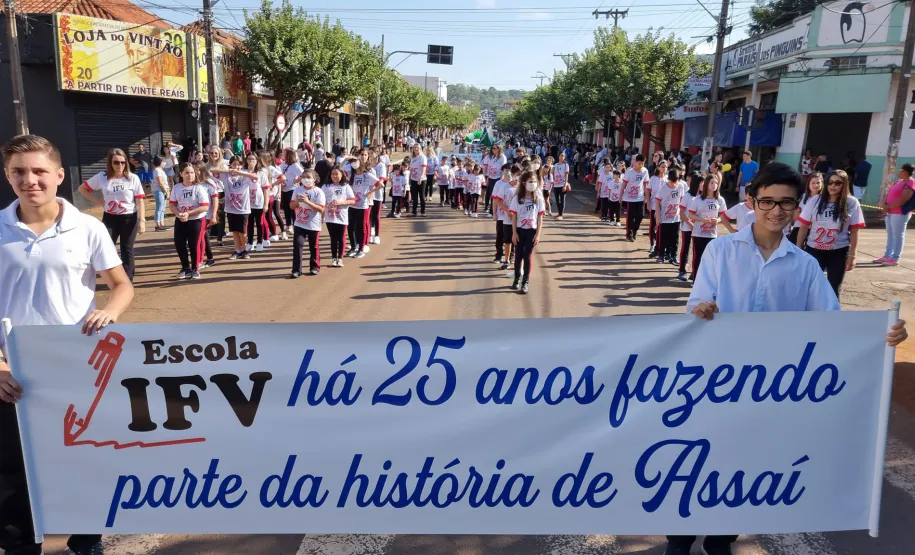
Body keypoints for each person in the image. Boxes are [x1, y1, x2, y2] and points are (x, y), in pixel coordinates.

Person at [678, 161, 908, 555]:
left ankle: (721, 537)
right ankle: (679, 538)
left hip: (771, 389)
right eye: (767, 201)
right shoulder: (720, 250)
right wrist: (702, 310)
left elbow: (832, 326)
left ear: (797, 205)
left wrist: (882, 335)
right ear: (751, 201)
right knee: (699, 459)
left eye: (786, 203)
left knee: (744, 464)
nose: (776, 211)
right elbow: (696, 303)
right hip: (715, 381)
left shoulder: (805, 267)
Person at [0, 134, 134, 555]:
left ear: (59, 175)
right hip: (12, 373)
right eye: (19, 171)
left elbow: (121, 286)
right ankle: (20, 543)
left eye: (39, 171)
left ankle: (86, 540)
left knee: (82, 458)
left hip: (78, 368)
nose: (30, 180)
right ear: (8, 176)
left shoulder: (88, 228)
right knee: (14, 469)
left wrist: (110, 311)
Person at [78, 148, 146, 281]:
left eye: (123, 162)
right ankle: (113, 278)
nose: (120, 165)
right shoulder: (102, 177)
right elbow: (82, 189)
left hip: (129, 217)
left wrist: (142, 220)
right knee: (107, 249)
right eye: (116, 162)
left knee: (127, 249)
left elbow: (140, 200)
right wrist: (98, 201)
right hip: (110, 218)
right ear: (110, 163)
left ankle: (127, 280)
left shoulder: (132, 178)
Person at [795, 169, 864, 297]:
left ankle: (831, 315)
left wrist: (852, 256)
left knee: (833, 288)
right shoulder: (815, 200)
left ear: (844, 184)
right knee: (810, 287)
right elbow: (804, 226)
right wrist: (799, 249)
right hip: (814, 250)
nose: (833, 186)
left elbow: (854, 231)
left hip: (838, 251)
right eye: (830, 182)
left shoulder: (851, 202)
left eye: (838, 183)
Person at [169, 162, 210, 279]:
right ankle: (185, 268)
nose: (190, 175)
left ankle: (195, 268)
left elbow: (205, 206)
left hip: (196, 219)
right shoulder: (177, 188)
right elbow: (172, 204)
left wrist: (189, 213)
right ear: (181, 174)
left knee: (194, 244)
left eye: (192, 172)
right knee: (179, 243)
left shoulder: (199, 188)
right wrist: (179, 214)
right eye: (187, 173)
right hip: (181, 220)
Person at [509, 170, 545, 294]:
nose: (533, 184)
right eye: (530, 182)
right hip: (519, 230)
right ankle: (517, 278)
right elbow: (513, 216)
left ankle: (525, 282)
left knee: (527, 255)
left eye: (535, 182)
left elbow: (540, 217)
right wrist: (514, 232)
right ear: (524, 183)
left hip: (531, 231)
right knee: (518, 255)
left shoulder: (538, 199)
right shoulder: (518, 198)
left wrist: (538, 234)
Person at [687, 175, 727, 281]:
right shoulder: (698, 199)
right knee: (698, 258)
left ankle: (707, 282)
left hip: (712, 234)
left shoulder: (720, 200)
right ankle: (695, 280)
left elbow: (723, 216)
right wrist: (702, 220)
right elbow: (690, 215)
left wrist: (717, 220)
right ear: (706, 184)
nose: (714, 185)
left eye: (716, 183)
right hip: (698, 233)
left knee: (711, 259)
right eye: (712, 183)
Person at [875, 162, 915, 266]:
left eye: (900, 170)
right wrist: (885, 205)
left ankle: (895, 258)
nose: (899, 171)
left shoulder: (910, 183)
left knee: (898, 235)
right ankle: (888, 255)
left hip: (900, 213)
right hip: (891, 212)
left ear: (905, 172)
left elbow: (904, 199)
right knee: (891, 235)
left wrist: (888, 207)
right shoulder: (899, 181)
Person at [289, 169, 326, 277]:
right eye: (304, 177)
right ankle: (296, 270)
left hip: (313, 224)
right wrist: (297, 201)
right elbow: (291, 206)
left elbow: (321, 209)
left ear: (314, 179)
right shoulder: (297, 190)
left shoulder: (319, 192)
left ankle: (314, 267)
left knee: (314, 246)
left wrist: (307, 202)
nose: (306, 179)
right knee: (297, 245)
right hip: (300, 223)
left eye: (308, 177)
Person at [348, 149, 384, 258]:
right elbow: (336, 170)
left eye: (365, 155)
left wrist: (369, 192)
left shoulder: (368, 174)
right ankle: (354, 247)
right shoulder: (350, 175)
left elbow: (380, 184)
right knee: (350, 227)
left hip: (363, 205)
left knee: (361, 226)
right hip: (351, 204)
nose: (355, 164)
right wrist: (346, 159)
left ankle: (361, 248)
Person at [323, 166, 356, 267]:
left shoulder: (345, 186)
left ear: (342, 175)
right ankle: (334, 258)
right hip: (330, 216)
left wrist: (341, 202)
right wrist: (327, 206)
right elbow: (320, 200)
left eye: (337, 174)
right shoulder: (326, 186)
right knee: (333, 238)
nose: (334, 176)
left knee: (341, 238)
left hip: (342, 216)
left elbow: (353, 200)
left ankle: (340, 259)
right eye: (333, 174)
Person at [655, 168, 686, 265]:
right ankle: (661, 256)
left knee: (675, 238)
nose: (673, 184)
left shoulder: (681, 186)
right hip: (665, 217)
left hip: (676, 217)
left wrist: (682, 215)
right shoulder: (663, 188)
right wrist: (658, 216)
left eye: (675, 181)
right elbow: (657, 201)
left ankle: (673, 256)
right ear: (668, 179)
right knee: (663, 237)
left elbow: (682, 201)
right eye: (671, 181)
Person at [243, 152, 271, 253]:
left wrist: (266, 204)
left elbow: (266, 189)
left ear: (257, 161)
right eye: (249, 159)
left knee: (259, 223)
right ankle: (250, 242)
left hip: (258, 202)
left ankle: (260, 242)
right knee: (249, 223)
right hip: (247, 203)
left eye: (253, 159)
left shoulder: (261, 173)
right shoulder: (243, 172)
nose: (251, 161)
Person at [194, 161, 220, 269]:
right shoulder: (194, 182)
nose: (194, 172)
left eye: (196, 169)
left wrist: (214, 215)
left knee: (202, 237)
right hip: (196, 215)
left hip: (207, 214)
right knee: (202, 237)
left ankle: (204, 259)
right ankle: (208, 258)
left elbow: (215, 199)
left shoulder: (209, 183)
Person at [677, 172, 702, 281]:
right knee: (685, 248)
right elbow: (681, 213)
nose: (703, 184)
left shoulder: (703, 196)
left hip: (700, 229)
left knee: (697, 250)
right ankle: (682, 270)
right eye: (702, 182)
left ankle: (694, 272)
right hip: (687, 227)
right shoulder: (687, 196)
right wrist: (690, 224)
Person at [790, 172, 823, 245]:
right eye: (813, 183)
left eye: (818, 182)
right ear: (808, 184)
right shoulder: (803, 196)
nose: (815, 185)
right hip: (798, 227)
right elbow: (795, 212)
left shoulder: (824, 199)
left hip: (814, 231)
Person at [622, 154, 650, 242]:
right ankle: (629, 234)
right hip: (630, 197)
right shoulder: (629, 171)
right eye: (639, 163)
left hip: (640, 197)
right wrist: (620, 196)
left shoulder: (645, 171)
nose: (640, 165)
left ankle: (635, 230)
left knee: (641, 215)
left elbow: (645, 184)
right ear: (635, 162)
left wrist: (646, 196)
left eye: (642, 163)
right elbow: (624, 184)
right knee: (630, 216)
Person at [280, 149, 304, 233]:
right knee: (286, 208)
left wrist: (295, 181)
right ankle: (288, 225)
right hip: (283, 189)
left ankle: (296, 225)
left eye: (284, 153)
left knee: (293, 208)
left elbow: (303, 174)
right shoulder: (283, 164)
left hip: (292, 189)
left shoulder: (295, 165)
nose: (282, 154)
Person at [369, 149, 386, 245]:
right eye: (369, 153)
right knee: (369, 215)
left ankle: (377, 235)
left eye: (372, 153)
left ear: (376, 154)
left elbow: (381, 179)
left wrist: (373, 187)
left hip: (377, 193)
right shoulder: (367, 165)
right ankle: (370, 233)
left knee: (376, 215)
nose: (371, 155)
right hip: (368, 194)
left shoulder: (381, 165)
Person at [408, 144, 428, 217]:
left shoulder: (423, 157)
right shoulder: (413, 158)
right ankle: (414, 211)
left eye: (417, 147)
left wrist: (421, 176)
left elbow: (424, 168)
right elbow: (411, 168)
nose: (416, 149)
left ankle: (423, 211)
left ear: (420, 148)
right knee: (414, 196)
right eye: (414, 148)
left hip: (421, 179)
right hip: (413, 179)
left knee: (422, 196)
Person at [151, 155, 169, 231]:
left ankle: (162, 224)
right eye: (163, 161)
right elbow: (160, 183)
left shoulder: (161, 170)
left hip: (163, 190)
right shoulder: (157, 170)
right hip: (159, 190)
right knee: (159, 208)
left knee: (162, 208)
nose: (164, 163)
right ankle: (157, 225)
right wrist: (166, 191)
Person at [553, 151, 570, 219]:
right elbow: (552, 174)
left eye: (563, 156)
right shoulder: (555, 165)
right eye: (561, 155)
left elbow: (566, 175)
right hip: (556, 184)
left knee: (562, 199)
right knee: (557, 200)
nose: (562, 157)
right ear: (558, 156)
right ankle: (559, 212)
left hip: (562, 184)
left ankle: (561, 215)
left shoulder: (566, 165)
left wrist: (565, 184)